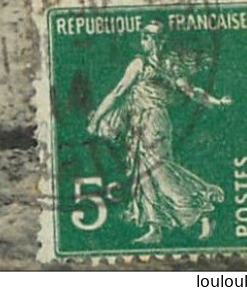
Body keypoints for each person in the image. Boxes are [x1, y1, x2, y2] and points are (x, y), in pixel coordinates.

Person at [86, 21, 232, 244]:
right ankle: (155, 228)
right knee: (143, 172)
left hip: (154, 121)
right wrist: (97, 118)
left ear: (161, 40)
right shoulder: (141, 63)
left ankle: (203, 208)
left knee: (160, 170)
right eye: (143, 35)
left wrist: (217, 102)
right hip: (138, 122)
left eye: (150, 36)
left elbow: (192, 91)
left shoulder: (162, 65)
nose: (145, 40)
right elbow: (118, 93)